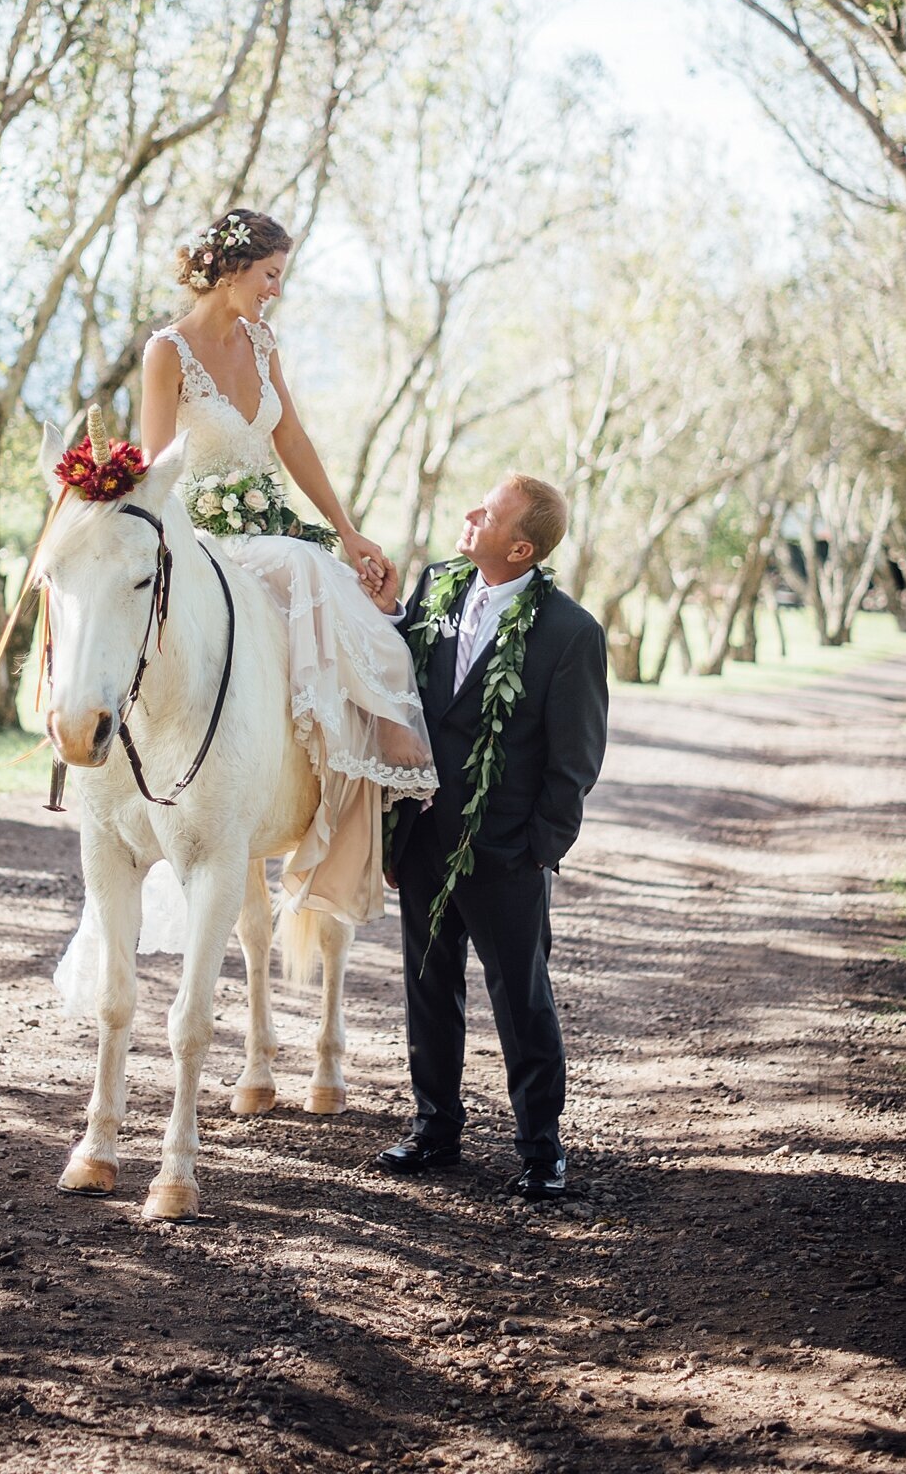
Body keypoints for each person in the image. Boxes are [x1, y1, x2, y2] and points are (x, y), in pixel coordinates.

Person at [139, 207, 436, 925]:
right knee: (302, 569)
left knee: (354, 609)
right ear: (232, 269)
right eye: (270, 274)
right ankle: (343, 740)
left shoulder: (262, 340)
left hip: (271, 529)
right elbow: (155, 468)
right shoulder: (166, 351)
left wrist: (347, 530)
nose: (276, 289)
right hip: (205, 540)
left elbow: (292, 439)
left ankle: (344, 777)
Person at [371, 474, 607, 1197]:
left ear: (521, 545)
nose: (471, 515)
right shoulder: (437, 584)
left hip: (503, 851)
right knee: (427, 987)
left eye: (489, 513)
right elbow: (403, 678)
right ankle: (434, 1130)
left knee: (521, 997)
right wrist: (384, 612)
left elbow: (575, 760)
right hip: (420, 834)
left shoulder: (570, 632)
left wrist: (535, 849)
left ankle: (540, 1147)